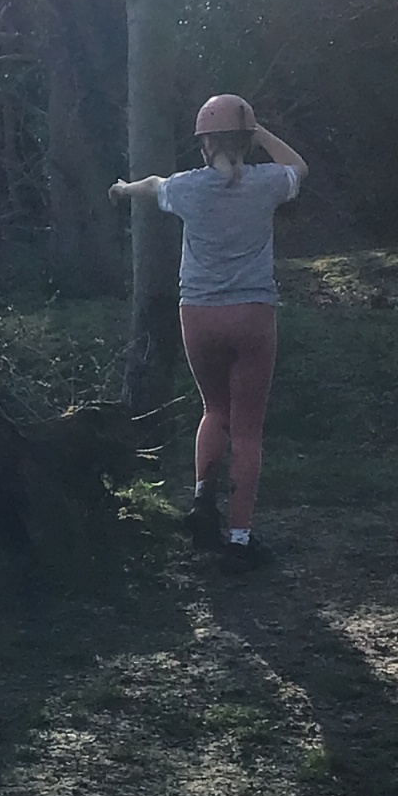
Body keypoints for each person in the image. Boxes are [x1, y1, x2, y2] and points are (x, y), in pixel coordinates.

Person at [109, 94, 308, 572]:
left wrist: (122, 188)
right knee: (248, 429)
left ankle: (202, 502)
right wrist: (258, 132)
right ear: (246, 141)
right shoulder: (267, 183)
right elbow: (299, 167)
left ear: (205, 144)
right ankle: (239, 539)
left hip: (198, 314)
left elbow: (152, 185)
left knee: (214, 409)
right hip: (253, 314)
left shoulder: (187, 188)